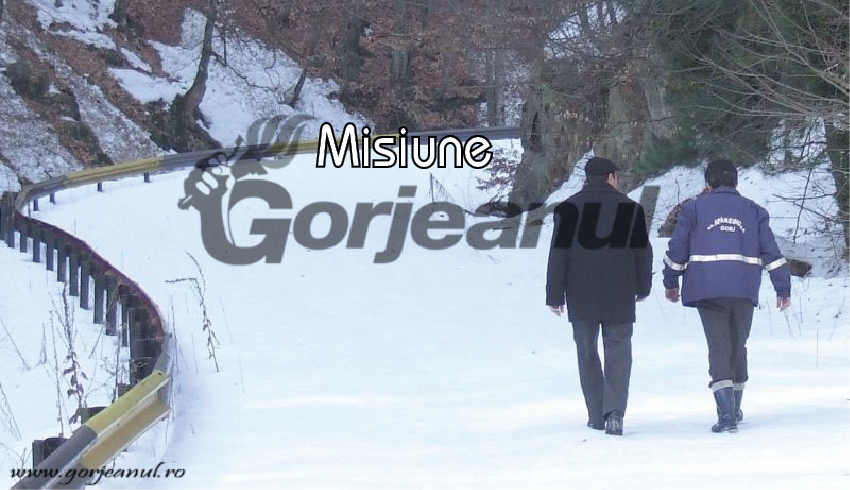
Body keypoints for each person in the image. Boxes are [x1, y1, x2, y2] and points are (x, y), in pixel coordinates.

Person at [662, 159, 791, 433]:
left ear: (708, 184)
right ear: (736, 181)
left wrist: (671, 281)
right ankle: (735, 406)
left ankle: (727, 414)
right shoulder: (755, 211)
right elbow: (771, 251)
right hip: (744, 289)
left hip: (707, 290)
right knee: (738, 345)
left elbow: (677, 248)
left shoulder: (693, 208)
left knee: (719, 346)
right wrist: (783, 288)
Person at [546, 157, 653, 436]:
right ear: (610, 177)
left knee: (586, 351)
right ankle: (614, 412)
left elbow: (559, 254)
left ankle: (595, 415)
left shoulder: (568, 209)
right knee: (619, 352)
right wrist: (643, 287)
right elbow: (642, 252)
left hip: (580, 293)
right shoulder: (631, 208)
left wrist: (554, 294)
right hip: (620, 291)